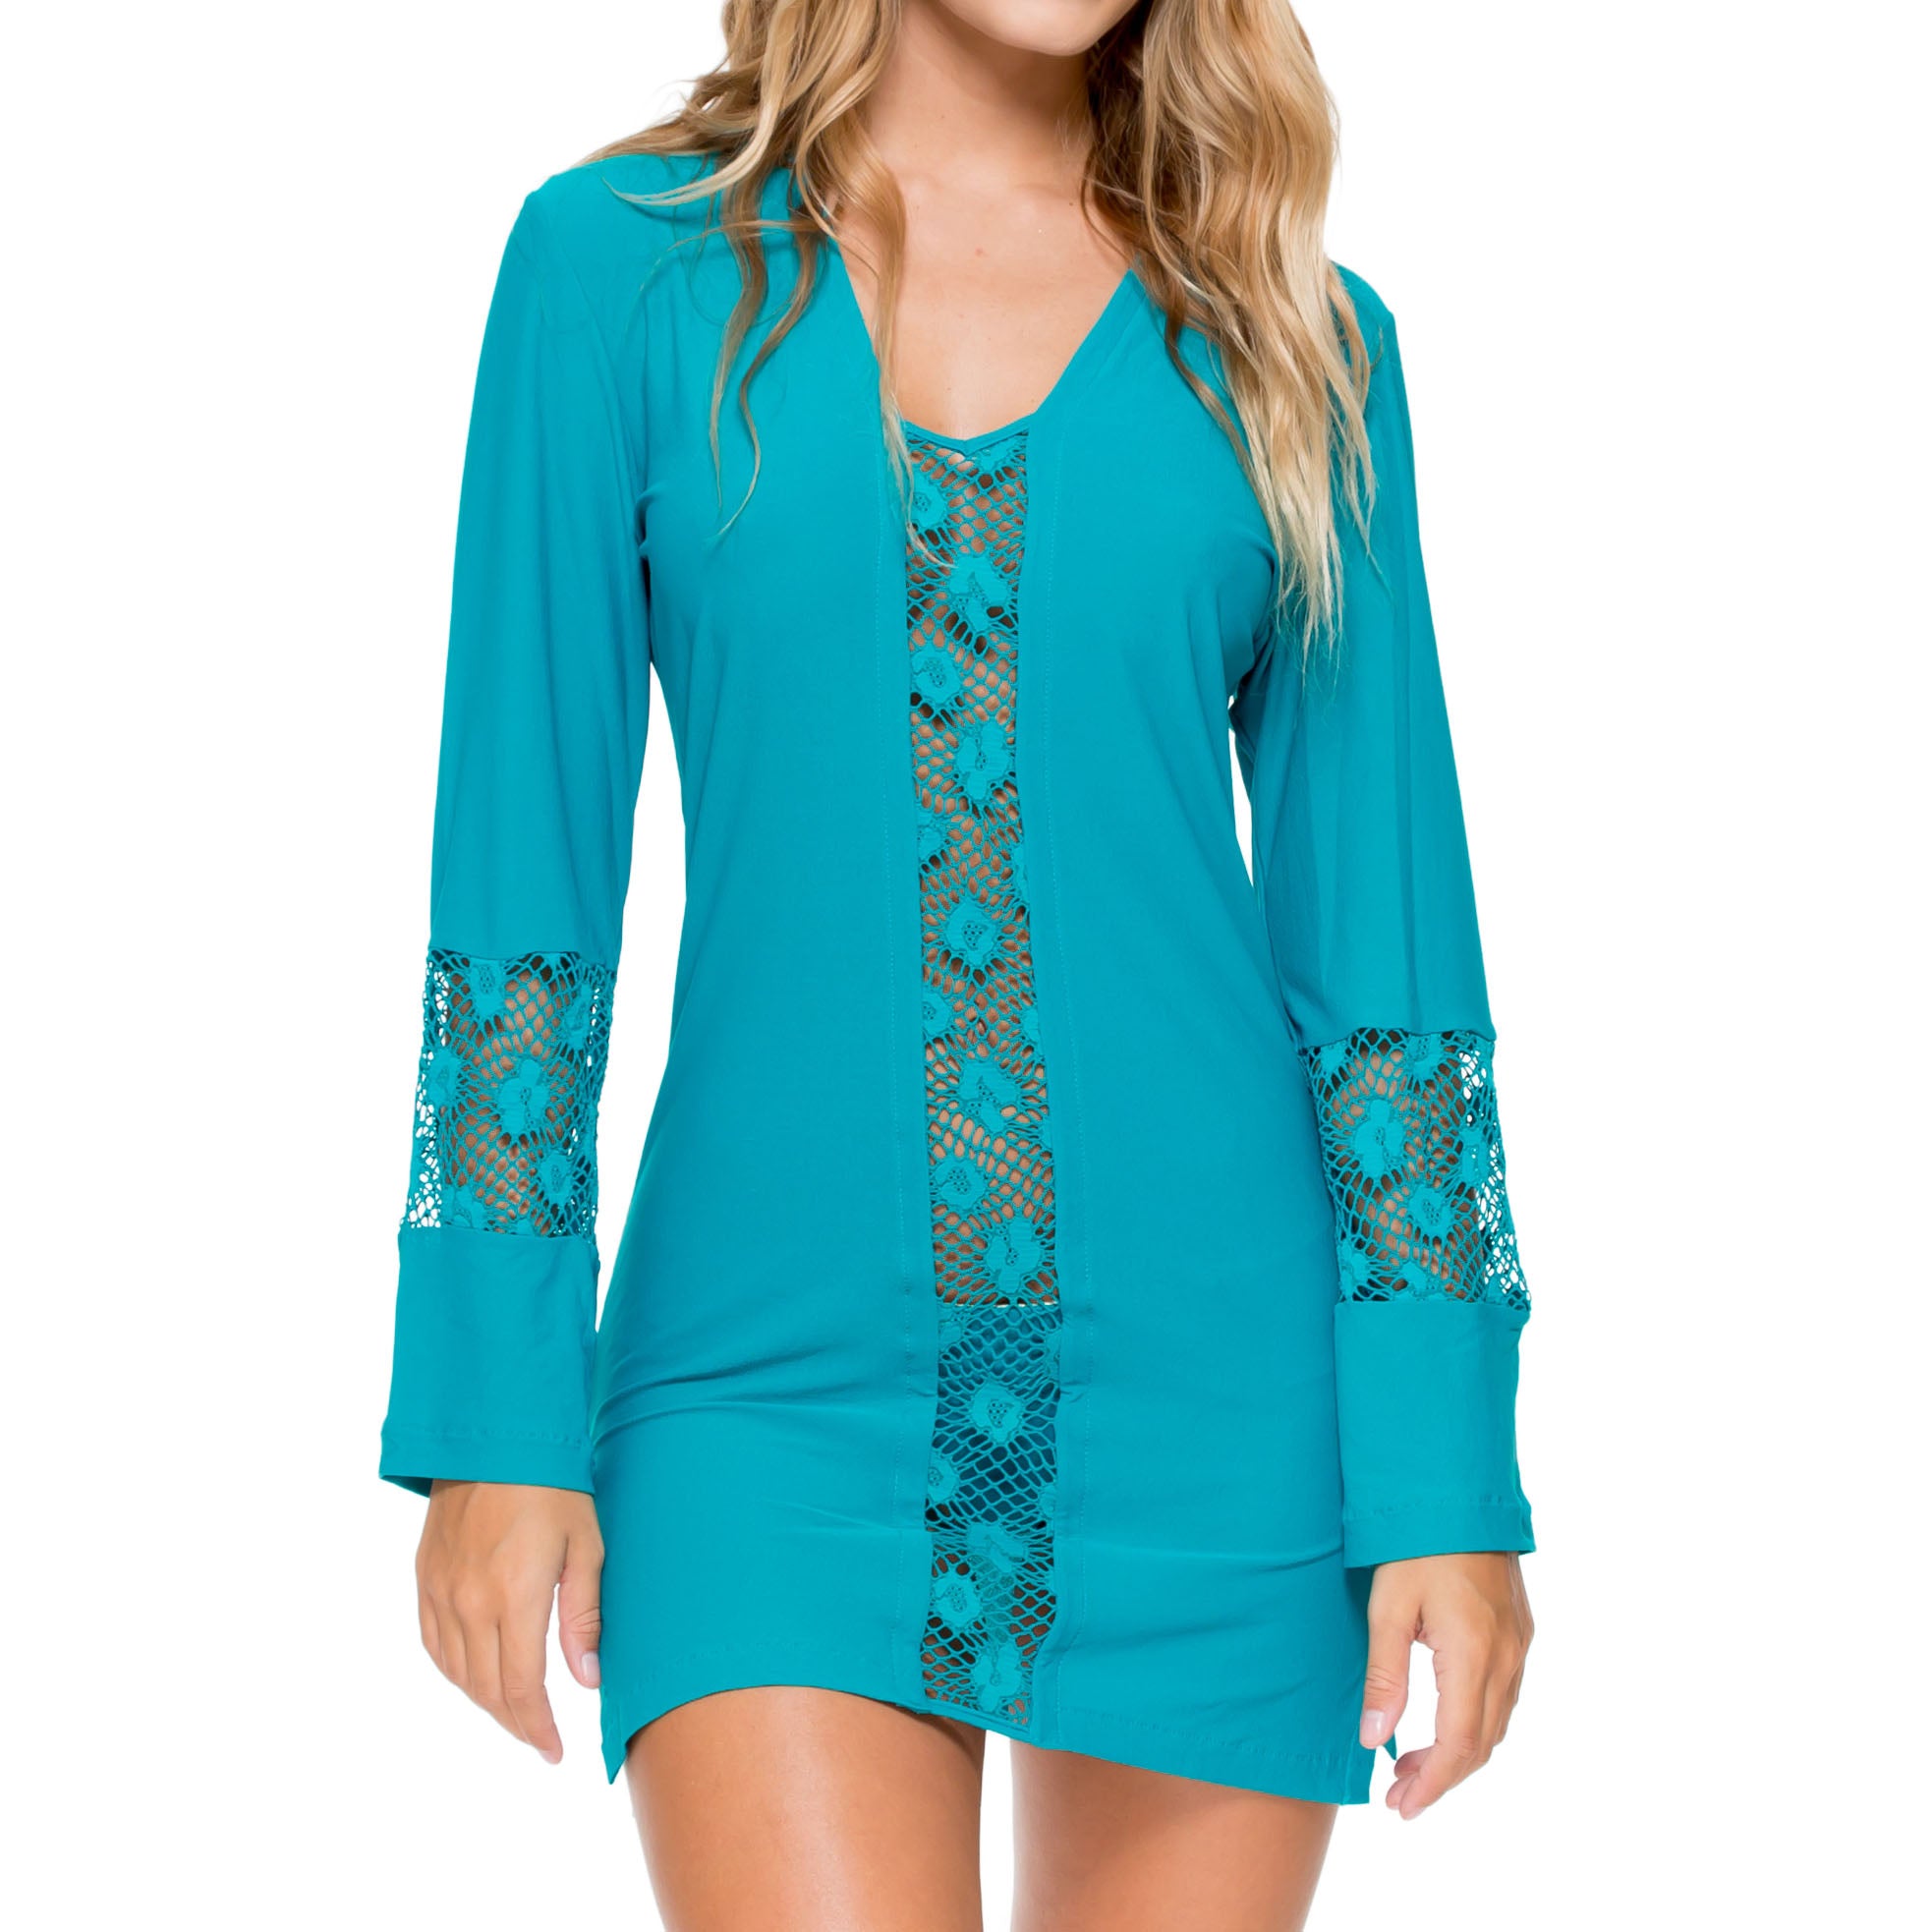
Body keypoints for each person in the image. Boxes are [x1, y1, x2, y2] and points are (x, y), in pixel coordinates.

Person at [380, 2, 1536, 1924]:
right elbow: (524, 877)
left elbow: (1384, 955)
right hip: (757, 1387)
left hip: (1219, 1405)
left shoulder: (1292, 338)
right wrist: (494, 1411)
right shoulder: (624, 271)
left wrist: (1440, 1465)